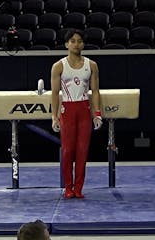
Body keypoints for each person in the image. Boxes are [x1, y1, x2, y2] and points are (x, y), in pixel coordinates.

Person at [50, 29, 102, 199]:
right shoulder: (58, 66)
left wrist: (97, 114)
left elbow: (95, 92)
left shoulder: (91, 65)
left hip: (84, 110)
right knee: (67, 151)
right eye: (72, 41)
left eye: (79, 41)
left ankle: (78, 188)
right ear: (66, 44)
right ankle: (68, 187)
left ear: (83, 44)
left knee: (82, 151)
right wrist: (54, 116)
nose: (76, 44)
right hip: (68, 110)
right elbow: (55, 93)